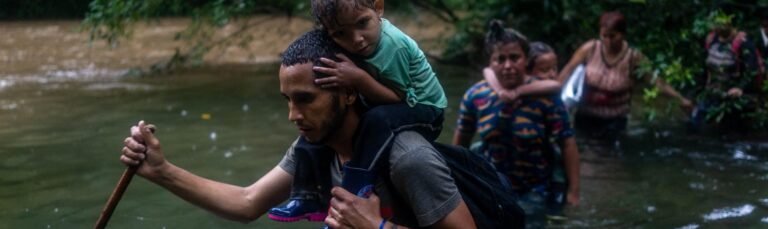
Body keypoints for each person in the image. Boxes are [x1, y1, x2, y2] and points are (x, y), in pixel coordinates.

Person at [120, 29, 475, 228]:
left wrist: (377, 228)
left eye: (305, 99)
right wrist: (160, 171)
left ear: (349, 92)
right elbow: (247, 203)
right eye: (287, 100)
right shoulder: (318, 145)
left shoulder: (409, 157)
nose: (293, 115)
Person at [269, 0, 449, 221]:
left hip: (424, 108)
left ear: (379, 7)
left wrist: (358, 78)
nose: (356, 39)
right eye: (341, 33)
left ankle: (356, 187)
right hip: (388, 98)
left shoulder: (394, 46)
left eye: (363, 23)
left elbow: (399, 98)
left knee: (376, 118)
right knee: (316, 127)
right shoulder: (350, 42)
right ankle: (307, 196)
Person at [452, 20, 580, 228]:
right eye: (500, 59)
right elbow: (460, 144)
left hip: (536, 189)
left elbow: (568, 143)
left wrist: (573, 192)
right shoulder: (476, 96)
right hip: (490, 188)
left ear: (526, 60)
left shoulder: (546, 98)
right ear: (491, 64)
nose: (508, 66)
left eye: (515, 58)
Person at [557, 11, 692, 140]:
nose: (608, 41)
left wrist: (680, 99)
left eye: (613, 36)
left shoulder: (634, 58)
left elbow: (656, 82)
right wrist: (549, 96)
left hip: (614, 121)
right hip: (585, 116)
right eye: (604, 36)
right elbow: (568, 71)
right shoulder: (590, 49)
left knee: (609, 159)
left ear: (623, 34)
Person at [690, 10, 763, 129]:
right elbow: (704, 68)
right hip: (712, 92)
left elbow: (752, 70)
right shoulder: (711, 39)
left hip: (734, 97)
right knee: (695, 124)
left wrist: (740, 88)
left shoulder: (743, 43)